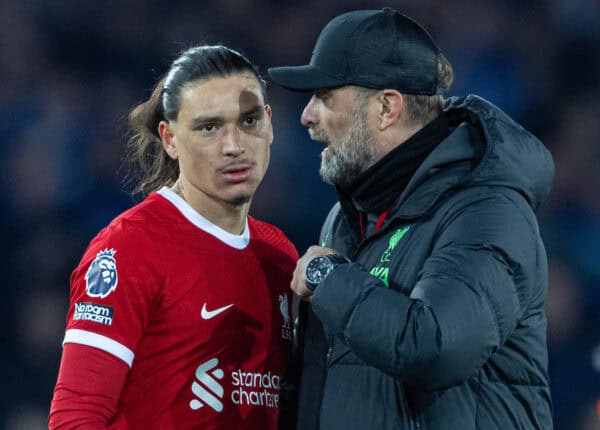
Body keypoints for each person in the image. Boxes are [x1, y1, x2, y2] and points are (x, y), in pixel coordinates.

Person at [268, 8, 554, 430]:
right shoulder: (349, 219)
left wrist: (329, 276)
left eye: (324, 96)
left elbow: (437, 345)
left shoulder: (485, 209)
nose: (307, 115)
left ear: (386, 107)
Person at [49, 45, 298, 429]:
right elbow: (76, 417)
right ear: (169, 138)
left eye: (248, 122)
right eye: (209, 127)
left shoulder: (279, 255)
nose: (234, 146)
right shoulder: (130, 246)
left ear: (269, 124)